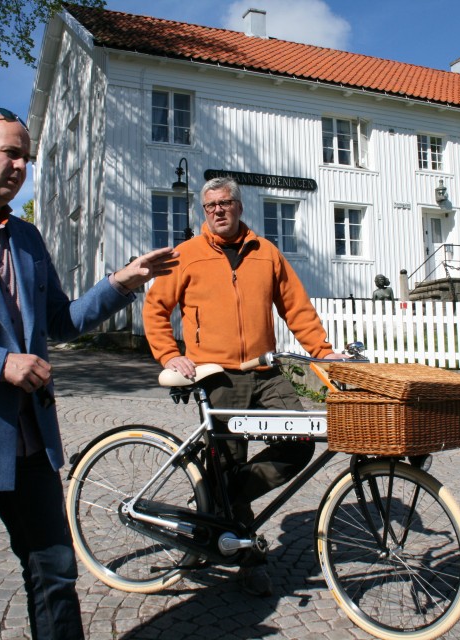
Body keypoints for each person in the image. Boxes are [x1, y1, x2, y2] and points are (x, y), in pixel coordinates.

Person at [0, 108, 179, 640]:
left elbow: (60, 322)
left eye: (25, 156)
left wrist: (120, 283)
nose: (19, 165)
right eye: (9, 151)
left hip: (32, 445)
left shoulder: (27, 239)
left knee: (55, 578)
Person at [143, 176, 344, 597]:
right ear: (204, 211)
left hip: (265, 371)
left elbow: (298, 309)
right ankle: (246, 556)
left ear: (239, 205)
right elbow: (156, 308)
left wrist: (322, 352)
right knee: (227, 459)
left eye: (226, 202)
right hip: (215, 375)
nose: (218, 209)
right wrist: (169, 354)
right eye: (210, 204)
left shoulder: (266, 252)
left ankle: (220, 500)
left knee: (300, 441)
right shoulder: (186, 255)